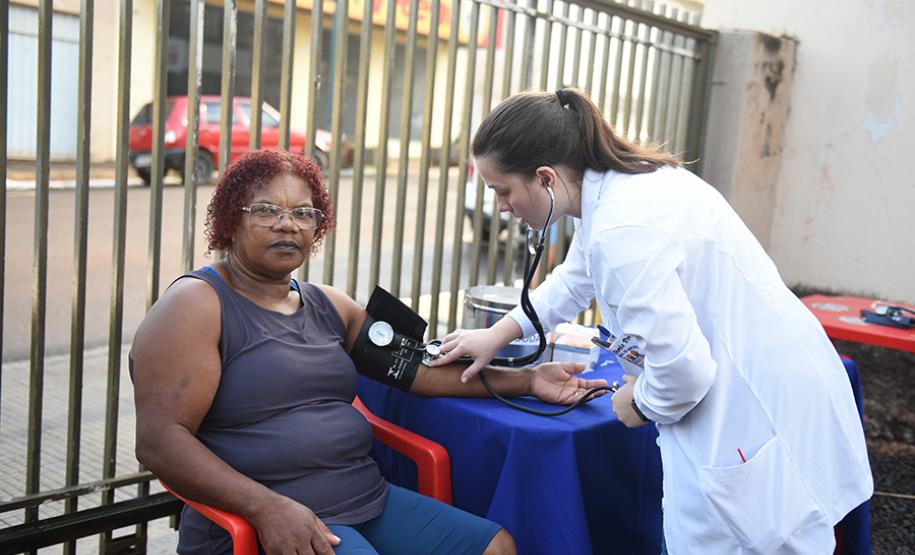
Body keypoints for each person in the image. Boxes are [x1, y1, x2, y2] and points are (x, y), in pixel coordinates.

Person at [431, 88, 873, 554]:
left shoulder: (622, 228)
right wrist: (497, 334)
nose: (502, 206)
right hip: (770, 388)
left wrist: (637, 404)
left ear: (545, 178)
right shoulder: (624, 187)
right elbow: (574, 280)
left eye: (502, 190)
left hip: (746, 413)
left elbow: (684, 372)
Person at [131, 149, 610, 555]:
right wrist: (264, 507)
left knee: (496, 547)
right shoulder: (197, 305)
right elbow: (160, 441)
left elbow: (416, 371)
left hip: (365, 497)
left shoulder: (328, 305)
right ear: (231, 219)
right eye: (266, 211)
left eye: (304, 213)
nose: (288, 225)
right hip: (269, 514)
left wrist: (528, 381)